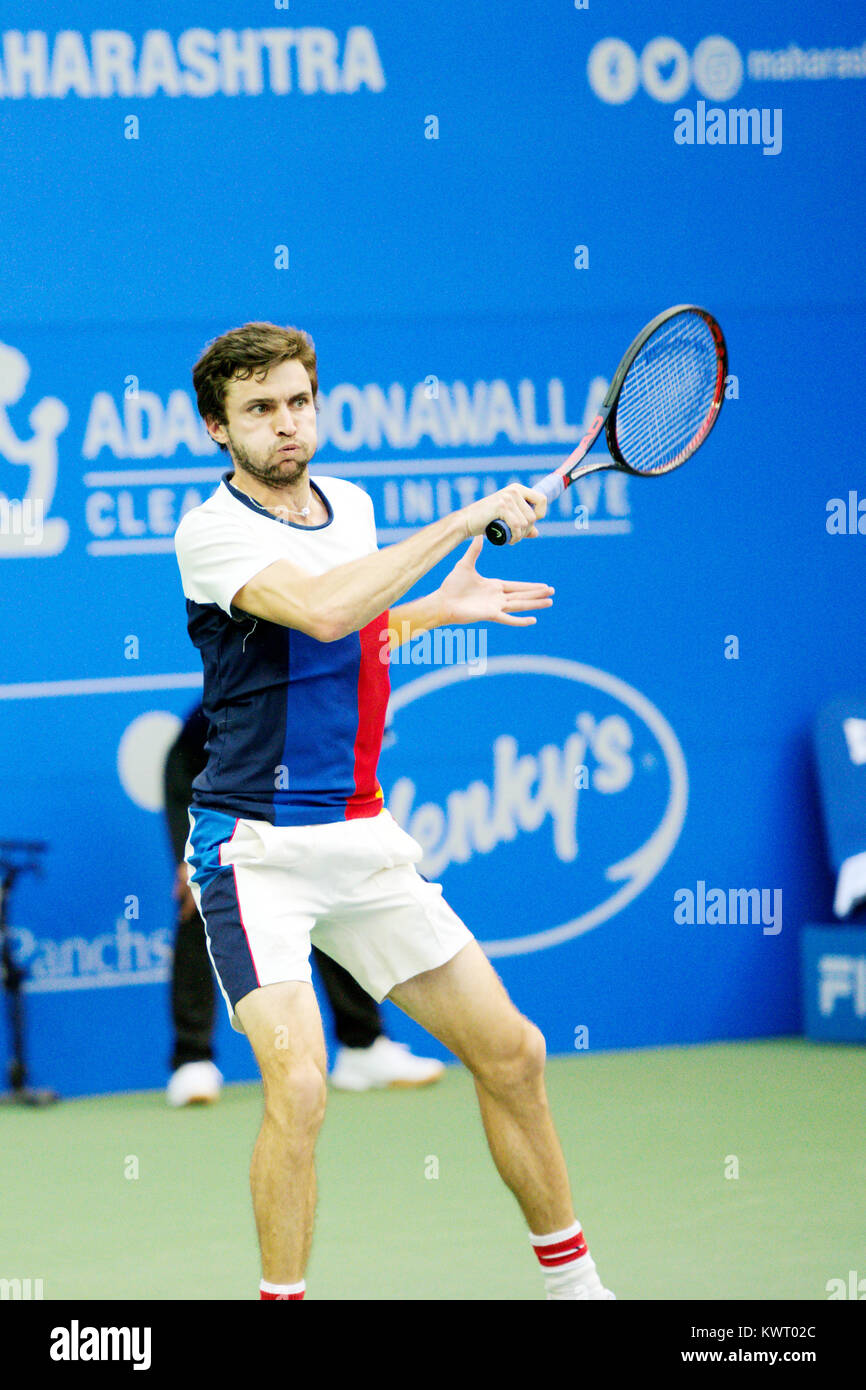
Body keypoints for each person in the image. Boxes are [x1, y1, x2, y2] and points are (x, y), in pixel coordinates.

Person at [173, 321, 615, 1301]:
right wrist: (461, 520)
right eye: (257, 411)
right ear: (217, 428)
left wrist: (432, 611)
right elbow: (322, 609)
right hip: (255, 850)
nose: (284, 426)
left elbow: (353, 632)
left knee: (513, 1050)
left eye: (297, 402)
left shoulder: (355, 505)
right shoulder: (210, 531)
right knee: (298, 1084)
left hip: (364, 840)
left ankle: (574, 1285)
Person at [162, 701, 446, 1103]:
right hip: (205, 776)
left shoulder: (350, 685)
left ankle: (362, 1046)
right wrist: (189, 853)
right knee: (201, 896)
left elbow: (350, 766)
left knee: (333, 887)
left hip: (294, 785)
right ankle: (192, 1061)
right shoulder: (260, 688)